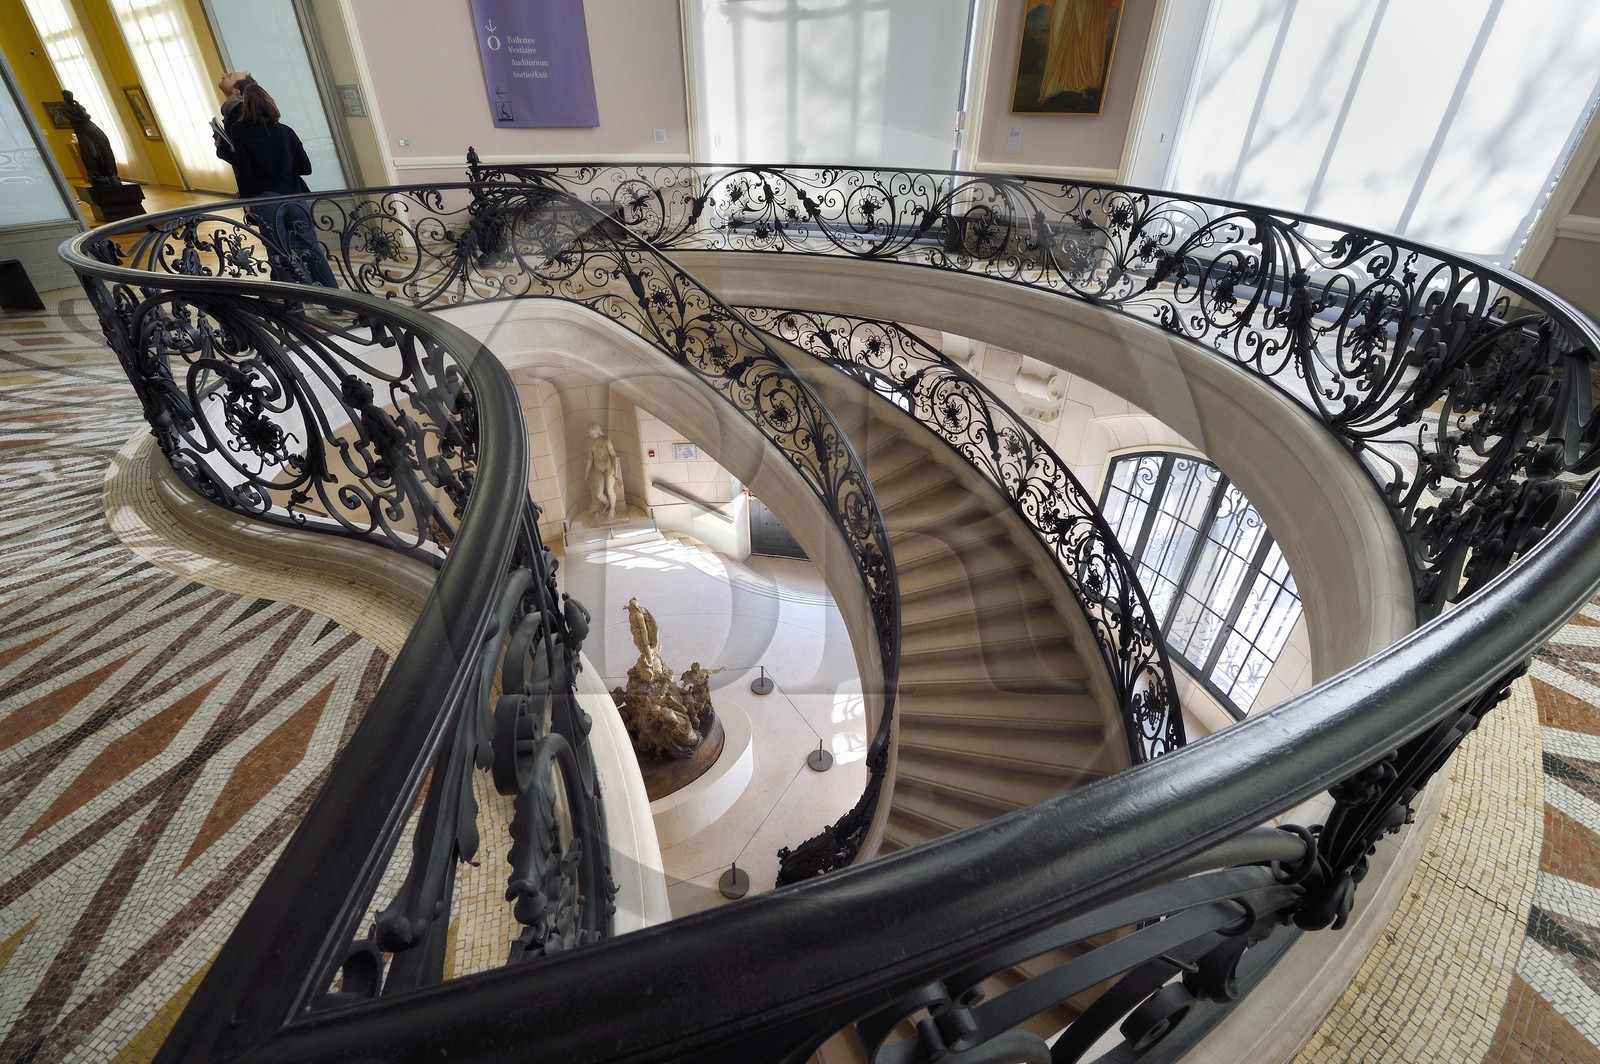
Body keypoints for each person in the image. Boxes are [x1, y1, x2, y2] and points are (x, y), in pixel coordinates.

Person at [213, 75, 337, 288]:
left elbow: (247, 171)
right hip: (296, 197)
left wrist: (247, 200)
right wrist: (284, 166)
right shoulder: (286, 131)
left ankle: (293, 308)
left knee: (279, 254)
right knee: (312, 249)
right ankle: (334, 300)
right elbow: (306, 169)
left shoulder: (240, 131)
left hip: (267, 200)